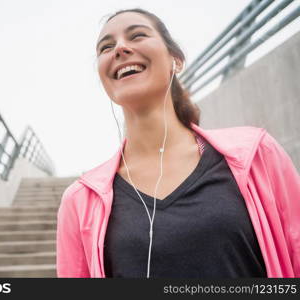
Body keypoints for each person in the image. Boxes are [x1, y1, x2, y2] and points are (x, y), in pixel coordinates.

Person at [56, 8, 300, 278]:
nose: (120, 48)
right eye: (106, 47)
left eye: (137, 35)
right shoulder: (78, 201)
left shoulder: (257, 154)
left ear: (176, 61)